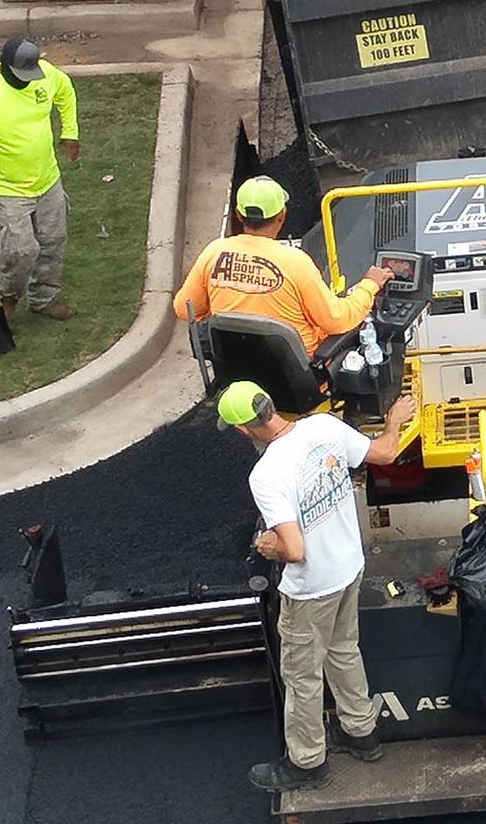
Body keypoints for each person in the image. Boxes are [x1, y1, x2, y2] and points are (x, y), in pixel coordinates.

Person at [218, 379, 418, 791]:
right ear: (270, 404)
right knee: (344, 650)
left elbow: (293, 548)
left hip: (312, 589)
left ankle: (307, 762)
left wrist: (267, 545)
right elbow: (384, 452)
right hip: (349, 566)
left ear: (243, 429)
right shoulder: (323, 427)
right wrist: (395, 420)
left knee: (303, 676)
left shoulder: (266, 474)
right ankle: (362, 733)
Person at [175, 176, 391, 356]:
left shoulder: (214, 252)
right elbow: (337, 320)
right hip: (298, 384)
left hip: (235, 368)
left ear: (239, 215)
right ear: (282, 216)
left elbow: (184, 308)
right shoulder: (296, 263)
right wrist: (369, 286)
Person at [0, 38, 79, 321]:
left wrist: (70, 132)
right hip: (7, 185)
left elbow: (65, 91)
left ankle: (44, 298)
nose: (26, 81)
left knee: (53, 240)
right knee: (20, 249)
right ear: (5, 66)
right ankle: (7, 297)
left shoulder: (46, 74)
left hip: (47, 178)